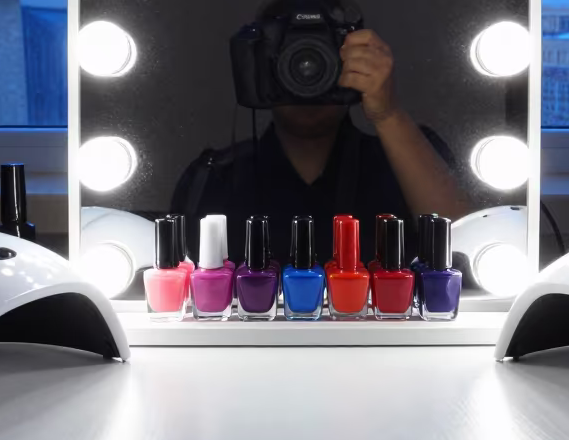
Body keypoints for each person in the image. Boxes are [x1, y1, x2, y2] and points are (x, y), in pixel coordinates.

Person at [170, 26, 471, 264]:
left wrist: (388, 113)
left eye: (321, 57)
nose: (306, 72)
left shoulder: (406, 159)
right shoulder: (212, 178)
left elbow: (466, 249)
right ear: (263, 71)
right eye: (290, 58)